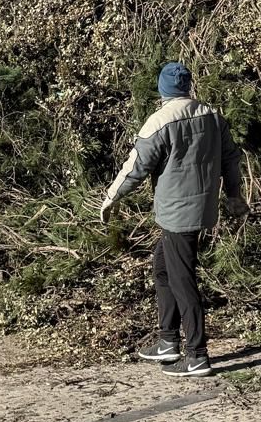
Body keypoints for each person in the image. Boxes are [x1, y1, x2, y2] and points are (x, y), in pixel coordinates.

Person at [99, 61, 246, 376]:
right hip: (201, 208)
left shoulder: (160, 121)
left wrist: (112, 196)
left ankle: (197, 356)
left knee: (182, 280)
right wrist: (234, 195)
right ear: (187, 86)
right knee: (163, 268)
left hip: (177, 215)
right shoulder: (212, 115)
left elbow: (136, 166)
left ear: (162, 88)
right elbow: (231, 159)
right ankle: (168, 341)